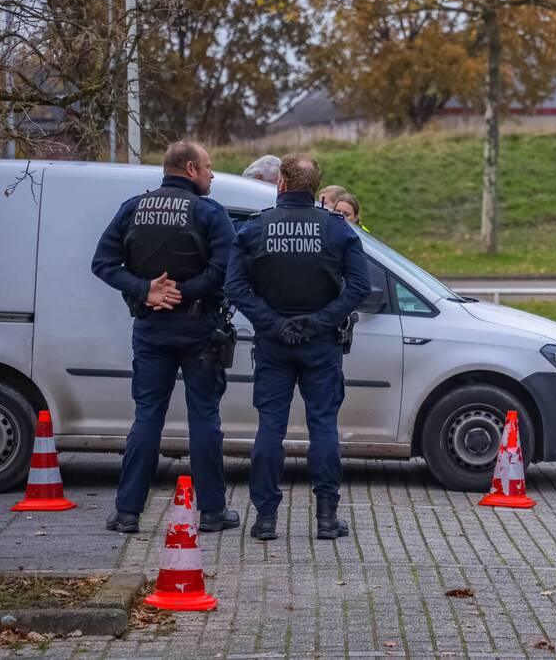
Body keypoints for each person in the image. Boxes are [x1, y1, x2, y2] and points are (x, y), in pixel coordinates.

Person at [92, 140, 240, 533]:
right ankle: (211, 513)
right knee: (204, 417)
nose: (211, 174)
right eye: (208, 167)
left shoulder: (133, 208)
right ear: (190, 168)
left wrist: (147, 290)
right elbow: (226, 270)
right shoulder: (209, 212)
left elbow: (102, 263)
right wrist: (186, 293)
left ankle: (127, 513)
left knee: (147, 418)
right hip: (199, 328)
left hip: (151, 328)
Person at [224, 154, 369, 541]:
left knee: (270, 428)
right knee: (323, 428)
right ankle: (326, 518)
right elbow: (359, 288)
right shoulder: (338, 231)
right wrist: (318, 322)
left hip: (273, 344)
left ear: (281, 184)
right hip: (321, 343)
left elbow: (235, 287)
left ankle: (265, 519)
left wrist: (273, 323)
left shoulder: (255, 229)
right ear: (316, 188)